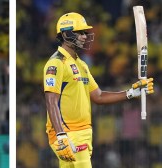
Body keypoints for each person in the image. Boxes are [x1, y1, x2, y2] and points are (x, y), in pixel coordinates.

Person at [43, 12, 154, 168]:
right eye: (79, 32)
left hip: (82, 133)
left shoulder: (81, 65)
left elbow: (99, 96)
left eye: (85, 33)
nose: (84, 36)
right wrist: (61, 136)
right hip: (69, 133)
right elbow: (51, 101)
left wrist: (131, 93)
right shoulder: (56, 63)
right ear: (65, 34)